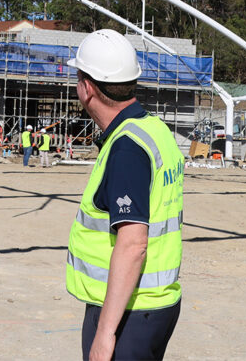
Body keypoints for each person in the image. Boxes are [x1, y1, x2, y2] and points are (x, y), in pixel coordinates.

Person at [65, 29, 184, 361]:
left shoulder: (127, 147)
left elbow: (134, 244)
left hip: (129, 310)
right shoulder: (154, 130)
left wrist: (105, 334)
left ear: (87, 87)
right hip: (156, 303)